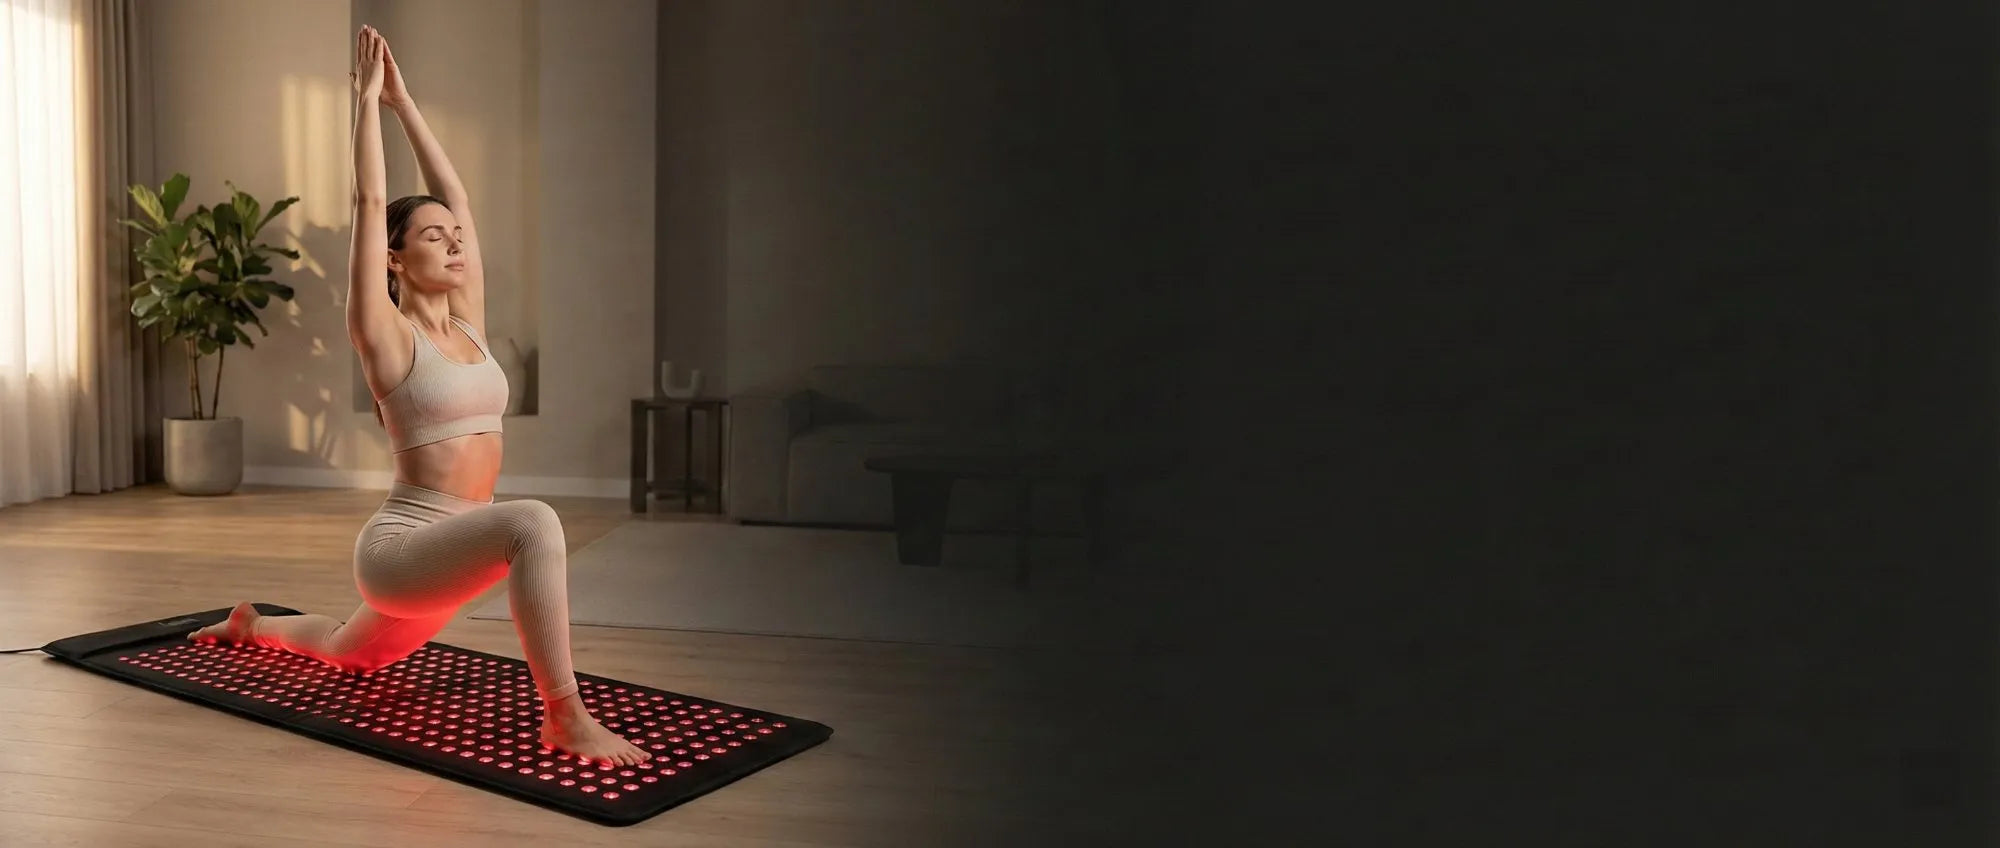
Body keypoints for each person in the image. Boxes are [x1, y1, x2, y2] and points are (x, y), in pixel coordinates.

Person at [190, 25, 649, 767]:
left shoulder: (470, 324)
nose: (456, 240)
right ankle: (564, 716)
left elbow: (459, 197)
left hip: (454, 546)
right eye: (434, 236)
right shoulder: (385, 334)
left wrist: (406, 104)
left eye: (456, 235)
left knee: (351, 654)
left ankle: (254, 625)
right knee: (532, 520)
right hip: (402, 549)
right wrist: (367, 105)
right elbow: (372, 199)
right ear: (395, 260)